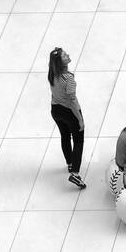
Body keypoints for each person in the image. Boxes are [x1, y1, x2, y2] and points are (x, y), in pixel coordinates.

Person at [48, 47, 86, 189]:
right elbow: (72, 100)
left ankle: (70, 164)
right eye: (64, 55)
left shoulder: (51, 74)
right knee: (78, 140)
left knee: (65, 136)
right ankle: (75, 174)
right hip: (70, 112)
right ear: (60, 62)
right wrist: (80, 119)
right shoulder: (68, 78)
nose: (68, 55)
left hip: (55, 110)